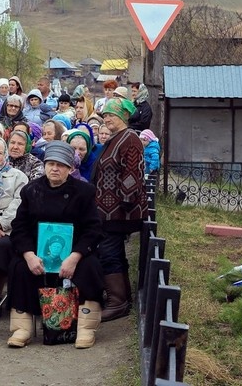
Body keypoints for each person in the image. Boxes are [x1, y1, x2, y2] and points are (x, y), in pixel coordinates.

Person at [6, 141, 103, 349]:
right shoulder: (31, 190)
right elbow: (19, 227)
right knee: (19, 267)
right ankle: (22, 327)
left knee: (90, 267)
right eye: (50, 164)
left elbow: (93, 229)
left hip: (73, 253)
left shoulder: (84, 192)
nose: (55, 169)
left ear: (70, 168)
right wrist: (29, 255)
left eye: (60, 165)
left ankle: (86, 327)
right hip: (38, 254)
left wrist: (75, 257)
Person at [92, 98, 147, 321]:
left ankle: (118, 302)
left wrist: (124, 203)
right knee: (114, 253)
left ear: (123, 117)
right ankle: (122, 297)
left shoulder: (130, 139)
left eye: (111, 115)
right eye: (104, 116)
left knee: (109, 253)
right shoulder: (116, 139)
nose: (107, 119)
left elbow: (132, 173)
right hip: (108, 211)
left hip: (118, 212)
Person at [0, 137, 27, 308]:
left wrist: (0, 224)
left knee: (2, 246)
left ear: (5, 154)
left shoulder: (18, 176)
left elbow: (18, 204)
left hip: (7, 228)